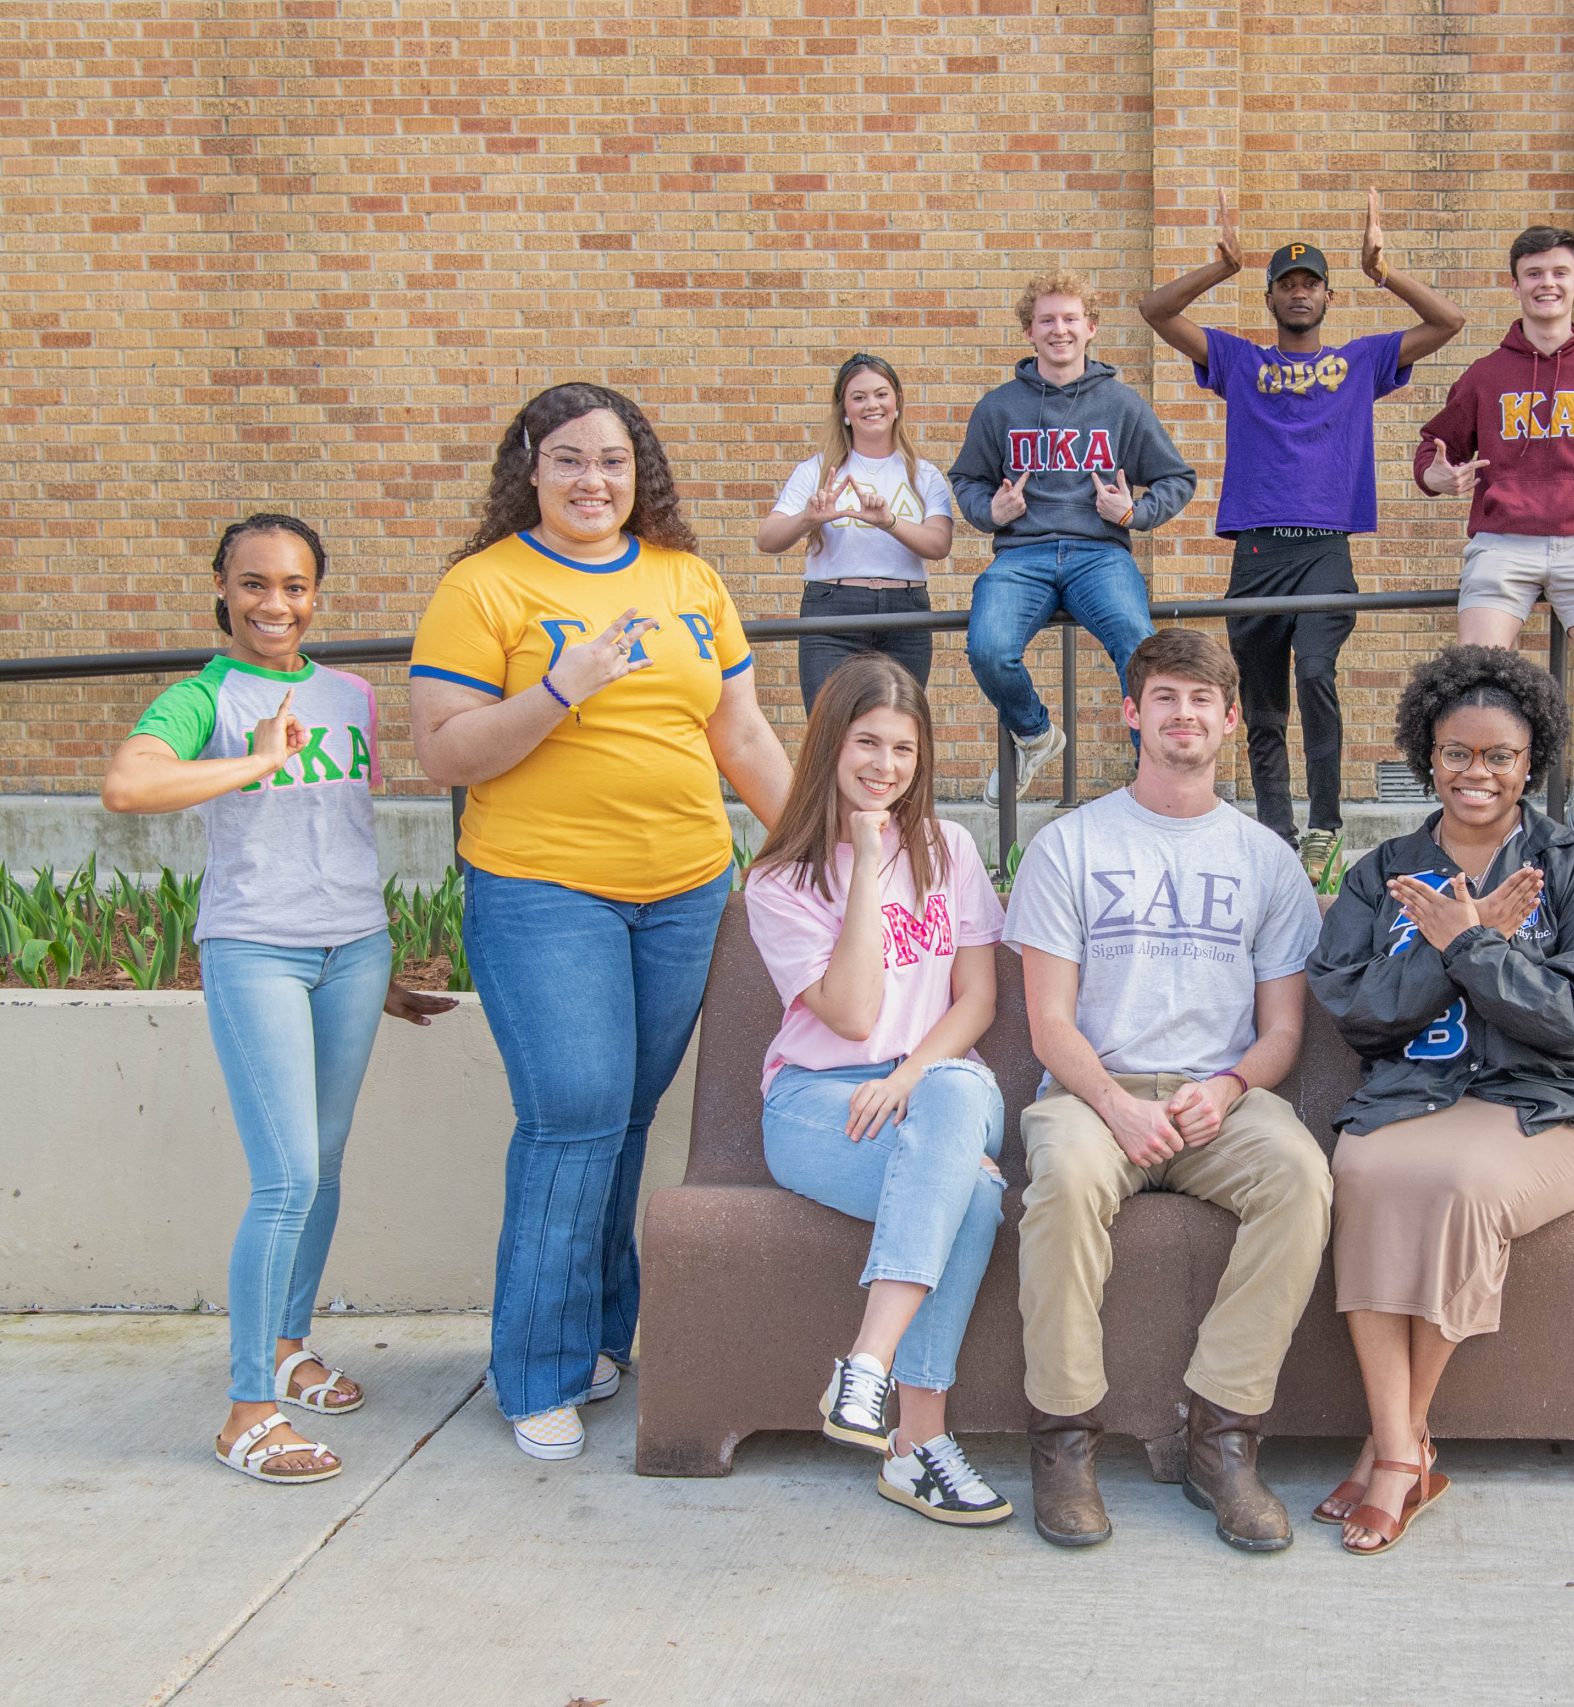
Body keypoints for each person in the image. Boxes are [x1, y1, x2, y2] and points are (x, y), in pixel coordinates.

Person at [409, 382, 793, 1463]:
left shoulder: (688, 580)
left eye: (613, 461)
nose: (593, 481)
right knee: (573, 1110)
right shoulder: (484, 588)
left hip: (679, 893)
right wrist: (561, 689)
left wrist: (839, 834)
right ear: (529, 468)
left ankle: (596, 1340)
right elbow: (444, 751)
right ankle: (535, 1366)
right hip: (541, 890)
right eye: (569, 459)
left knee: (622, 1117)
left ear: (642, 473)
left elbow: (745, 736)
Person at [102, 514, 458, 1485]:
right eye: (255, 584)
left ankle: (288, 1347)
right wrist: (258, 758)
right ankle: (247, 1412)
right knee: (286, 1178)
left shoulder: (349, 696)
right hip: (256, 948)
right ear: (221, 586)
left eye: (295, 586)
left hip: (352, 949)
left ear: (316, 594)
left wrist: (379, 970)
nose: (275, 605)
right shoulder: (202, 697)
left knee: (324, 1168)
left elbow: (336, 832)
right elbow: (129, 787)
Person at [1000, 627, 1331, 1551]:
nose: (1183, 714)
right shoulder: (1069, 845)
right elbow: (1049, 1025)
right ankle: (1063, 1438)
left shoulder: (1266, 859)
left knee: (1302, 1179)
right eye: (1165, 697)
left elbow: (1283, 1035)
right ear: (1130, 713)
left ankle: (1220, 1438)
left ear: (1230, 720)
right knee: (1059, 1179)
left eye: (1202, 700)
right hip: (1094, 1096)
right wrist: (1116, 1105)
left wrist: (1226, 1089)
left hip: (1217, 1101)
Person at [1307, 645, 1574, 1555]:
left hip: (1559, 1106)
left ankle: (1391, 1453)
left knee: (1459, 1186)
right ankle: (1407, 1445)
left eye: (1499, 755)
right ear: (1429, 755)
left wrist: (1474, 948)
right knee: (1364, 1169)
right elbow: (1358, 1011)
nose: (1477, 773)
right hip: (1415, 1095)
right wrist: (1443, 943)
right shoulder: (1388, 874)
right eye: (1458, 752)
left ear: (1531, 760)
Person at [745, 654, 1014, 1525]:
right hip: (819, 1105)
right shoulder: (781, 879)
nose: (887, 766)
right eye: (868, 742)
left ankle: (867, 1364)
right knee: (971, 1189)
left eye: (904, 747)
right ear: (831, 744)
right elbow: (854, 1014)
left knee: (954, 1089)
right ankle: (916, 1446)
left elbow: (977, 998)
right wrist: (863, 862)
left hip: (925, 1086)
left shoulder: (953, 848)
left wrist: (909, 1075)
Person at [1138, 187, 1467, 876]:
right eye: (1285, 284)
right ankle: (1277, 834)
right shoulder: (1241, 362)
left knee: (1316, 671)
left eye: (1309, 282)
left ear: (1327, 296)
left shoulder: (1359, 362)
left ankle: (1324, 824)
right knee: (1259, 706)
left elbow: (1449, 321)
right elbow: (1156, 311)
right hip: (1256, 550)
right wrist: (1220, 266)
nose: (1297, 293)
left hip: (1324, 548)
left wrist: (1386, 272)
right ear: (1270, 299)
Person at [1414, 224, 1574, 875]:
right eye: (1534, 273)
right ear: (1516, 283)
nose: (1547, 284)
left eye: (1559, 272)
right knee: (1479, 686)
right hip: (1502, 544)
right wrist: (1438, 477)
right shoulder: (1487, 375)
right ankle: (1494, 820)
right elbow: (1433, 449)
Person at [949, 272, 1199, 803]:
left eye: (1069, 319)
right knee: (989, 647)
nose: (1058, 330)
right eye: (1046, 321)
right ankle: (1035, 734)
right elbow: (965, 479)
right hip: (1022, 555)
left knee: (1140, 648)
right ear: (1029, 332)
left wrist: (1134, 512)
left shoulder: (1122, 405)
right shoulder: (999, 407)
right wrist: (991, 511)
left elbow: (1179, 478)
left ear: (1090, 328)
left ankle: (1153, 781)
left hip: (1099, 554)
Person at [754, 353, 957, 710]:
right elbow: (767, 538)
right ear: (844, 411)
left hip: (905, 613)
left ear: (897, 404)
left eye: (881, 394)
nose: (871, 405)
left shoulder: (923, 474)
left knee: (898, 728)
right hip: (834, 611)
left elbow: (939, 544)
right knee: (831, 729)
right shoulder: (816, 470)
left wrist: (888, 522)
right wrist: (809, 517)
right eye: (858, 397)